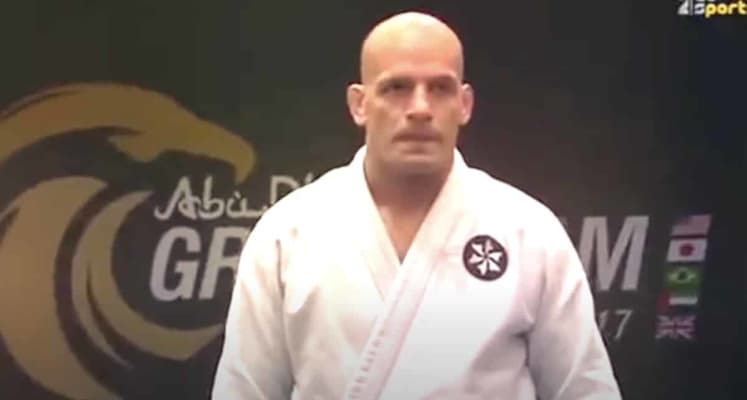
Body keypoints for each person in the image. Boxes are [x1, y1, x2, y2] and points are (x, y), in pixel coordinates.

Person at [211, 11, 621, 400]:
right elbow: (244, 390)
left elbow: (586, 389)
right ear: (359, 104)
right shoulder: (288, 232)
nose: (421, 109)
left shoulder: (528, 230)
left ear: (464, 104)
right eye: (397, 88)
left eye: (440, 89)